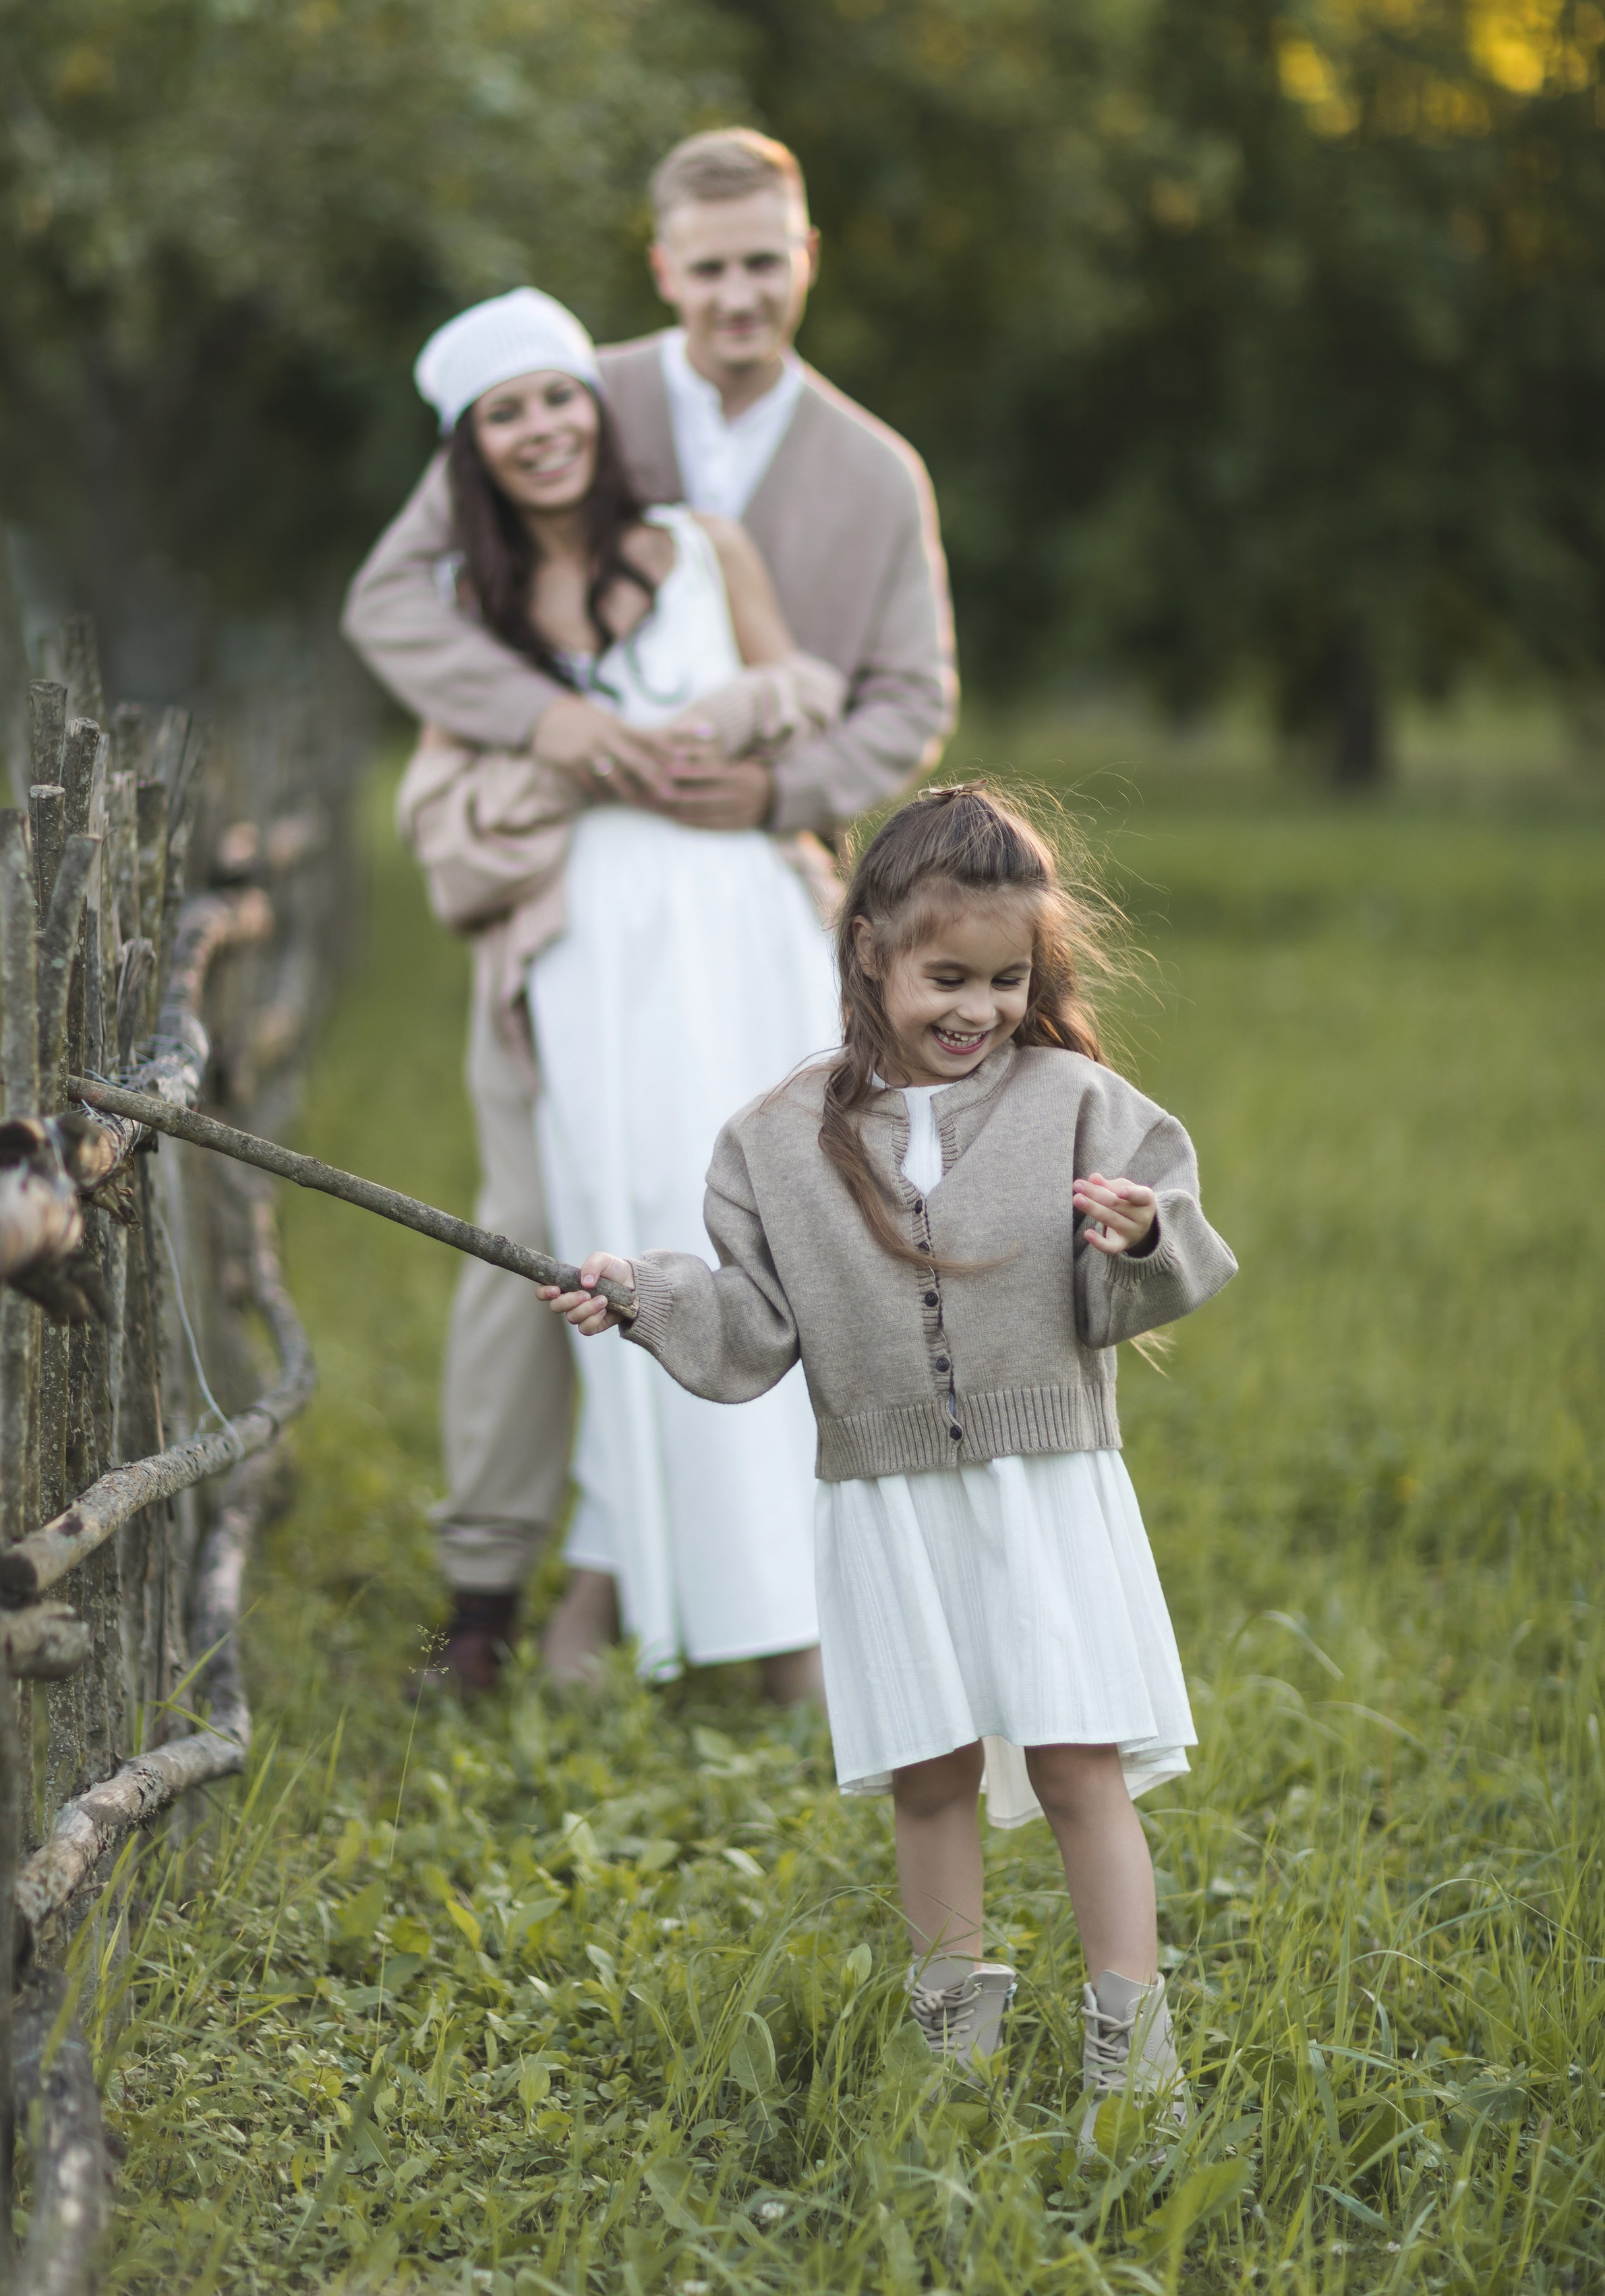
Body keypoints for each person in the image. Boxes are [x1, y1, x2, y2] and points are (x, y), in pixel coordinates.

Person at [343, 129, 957, 1694]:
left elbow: (906, 697)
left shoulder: (868, 468)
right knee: (556, 1226)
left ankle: (756, 1583)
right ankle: (494, 1587)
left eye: (765, 261)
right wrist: (552, 725)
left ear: (804, 257)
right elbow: (398, 596)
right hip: (577, 927)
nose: (737, 293)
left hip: (745, 895)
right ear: (662, 267)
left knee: (795, 1215)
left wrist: (767, 784)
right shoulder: (563, 385)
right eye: (708, 265)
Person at [536, 785, 1237, 2135]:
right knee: (929, 1769)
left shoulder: (1081, 1106)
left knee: (1075, 1761)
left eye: (1006, 979)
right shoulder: (773, 1141)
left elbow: (1163, 1264)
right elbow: (749, 1329)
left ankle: (1133, 2046)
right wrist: (640, 1293)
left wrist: (1143, 1235)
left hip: (1044, 1491)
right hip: (885, 1503)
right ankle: (951, 2046)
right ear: (868, 949)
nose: (979, 1009)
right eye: (946, 978)